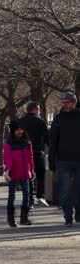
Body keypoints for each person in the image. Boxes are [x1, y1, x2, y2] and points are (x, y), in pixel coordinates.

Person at [48, 91, 80, 227]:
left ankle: (78, 212)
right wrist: (51, 160)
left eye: (67, 102)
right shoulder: (59, 118)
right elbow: (53, 140)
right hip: (64, 160)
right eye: (63, 102)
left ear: (74, 103)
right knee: (65, 191)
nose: (65, 104)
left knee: (78, 190)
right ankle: (68, 216)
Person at [4, 119, 34, 228]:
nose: (20, 132)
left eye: (21, 129)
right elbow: (7, 158)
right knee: (12, 195)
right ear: (13, 131)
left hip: (25, 172)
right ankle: (11, 219)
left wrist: (32, 169)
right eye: (17, 130)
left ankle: (24, 218)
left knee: (27, 194)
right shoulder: (9, 144)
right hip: (13, 173)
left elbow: (30, 157)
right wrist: (8, 170)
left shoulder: (27, 142)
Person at [20, 101, 50, 207]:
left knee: (27, 176)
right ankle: (40, 196)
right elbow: (47, 137)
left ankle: (29, 199)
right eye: (38, 109)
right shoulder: (40, 122)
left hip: (23, 153)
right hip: (37, 151)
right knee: (40, 174)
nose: (39, 111)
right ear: (35, 109)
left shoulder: (21, 122)